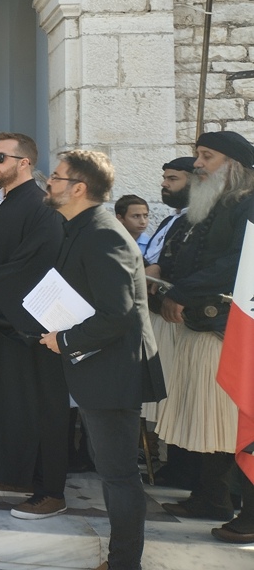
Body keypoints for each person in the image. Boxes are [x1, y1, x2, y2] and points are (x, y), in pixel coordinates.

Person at [40, 149, 165, 570]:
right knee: (112, 473)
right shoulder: (80, 227)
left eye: (56, 178)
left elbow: (119, 312)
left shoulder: (102, 233)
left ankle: (124, 563)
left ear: (78, 188)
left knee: (118, 476)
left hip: (113, 371)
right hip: (96, 366)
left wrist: (67, 339)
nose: (49, 183)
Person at [0, 133, 67, 517]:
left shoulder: (40, 205)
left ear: (24, 163)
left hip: (27, 324)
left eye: (0, 156)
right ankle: (15, 474)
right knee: (5, 403)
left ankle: (43, 486)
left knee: (32, 405)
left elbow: (34, 262)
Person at [153, 131, 254, 534]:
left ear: (232, 165)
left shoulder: (248, 204)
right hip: (204, 324)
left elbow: (234, 263)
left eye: (206, 157)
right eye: (198, 156)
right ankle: (212, 496)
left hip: (231, 330)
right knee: (216, 421)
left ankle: (247, 513)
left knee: (237, 422)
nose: (197, 165)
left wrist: (181, 291)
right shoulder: (215, 203)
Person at [142, 156, 196, 487]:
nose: (165, 184)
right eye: (164, 178)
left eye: (173, 179)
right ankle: (175, 464)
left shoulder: (197, 223)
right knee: (167, 397)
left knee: (180, 397)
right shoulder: (170, 221)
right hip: (158, 315)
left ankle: (188, 470)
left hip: (179, 319)